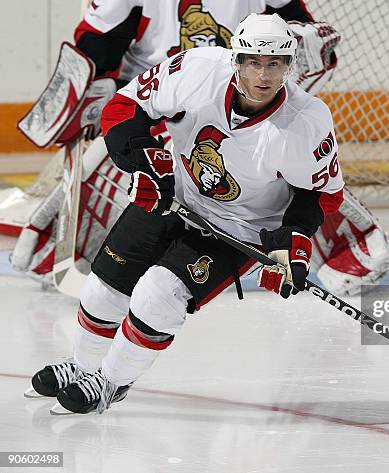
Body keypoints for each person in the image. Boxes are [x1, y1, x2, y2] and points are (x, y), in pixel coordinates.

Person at [26, 13, 345, 415]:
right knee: (102, 288)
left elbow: (322, 193)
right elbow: (125, 107)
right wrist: (144, 161)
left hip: (241, 228)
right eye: (253, 62)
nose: (262, 74)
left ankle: (109, 382)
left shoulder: (306, 122)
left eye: (274, 64)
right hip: (176, 195)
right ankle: (81, 365)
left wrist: (294, 238)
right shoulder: (197, 69)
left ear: (288, 65)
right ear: (236, 60)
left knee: (158, 296)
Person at [12, 0, 389, 298]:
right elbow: (98, 49)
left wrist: (305, 38)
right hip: (161, 110)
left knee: (282, 175)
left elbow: (294, 21)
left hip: (239, 99)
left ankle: (319, 251)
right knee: (129, 226)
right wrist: (99, 100)